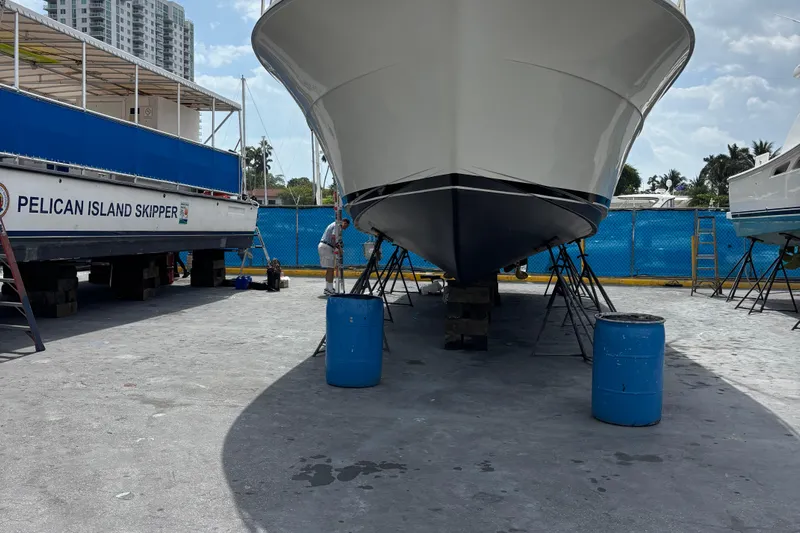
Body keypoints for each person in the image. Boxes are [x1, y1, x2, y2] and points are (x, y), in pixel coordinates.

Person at [318, 218, 350, 295]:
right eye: (346, 226)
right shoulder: (337, 226)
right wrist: (339, 248)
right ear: (344, 223)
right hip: (326, 246)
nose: (345, 228)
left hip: (325, 246)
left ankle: (328, 288)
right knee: (331, 268)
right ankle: (329, 289)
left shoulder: (335, 225)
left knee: (330, 268)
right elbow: (333, 237)